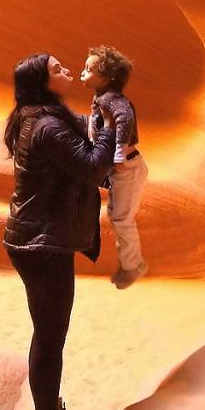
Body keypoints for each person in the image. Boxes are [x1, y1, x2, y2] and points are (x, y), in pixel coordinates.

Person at [2, 52, 116, 410]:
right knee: (49, 339)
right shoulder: (47, 125)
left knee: (52, 335)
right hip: (39, 246)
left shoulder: (43, 115)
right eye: (57, 69)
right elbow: (89, 168)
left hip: (40, 241)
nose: (67, 71)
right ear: (42, 82)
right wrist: (106, 129)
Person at [80, 45, 149, 289]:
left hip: (128, 168)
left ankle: (133, 267)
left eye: (89, 70)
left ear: (106, 77)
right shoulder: (101, 97)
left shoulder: (113, 100)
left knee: (122, 218)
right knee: (118, 216)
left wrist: (118, 154)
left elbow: (125, 118)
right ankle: (130, 265)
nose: (82, 73)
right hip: (121, 169)